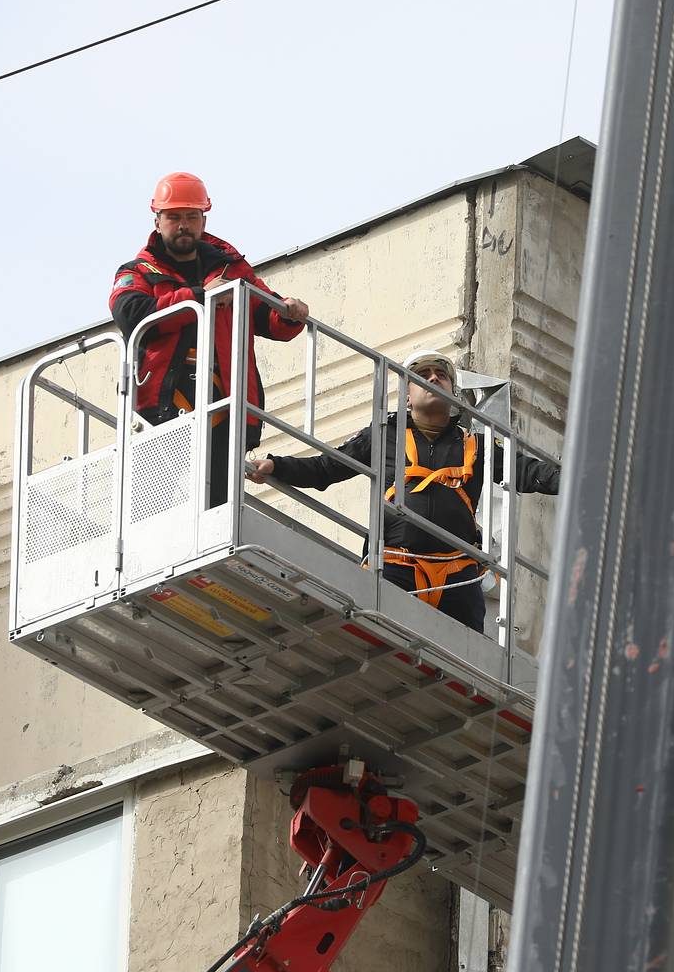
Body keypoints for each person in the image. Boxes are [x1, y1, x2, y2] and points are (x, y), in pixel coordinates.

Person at [248, 349, 560, 633]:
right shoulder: (384, 435)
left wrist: (582, 478)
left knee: (466, 665)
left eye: (441, 376)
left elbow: (531, 473)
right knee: (375, 636)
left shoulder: (476, 446)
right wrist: (277, 466)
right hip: (396, 565)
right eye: (422, 376)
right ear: (407, 397)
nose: (434, 378)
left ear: (453, 397)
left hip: (458, 575)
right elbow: (326, 467)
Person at [109, 172, 309, 505]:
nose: (183, 224)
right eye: (174, 217)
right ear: (157, 220)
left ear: (203, 219)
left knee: (218, 505)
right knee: (150, 504)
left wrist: (289, 313)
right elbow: (132, 315)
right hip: (163, 404)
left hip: (224, 401)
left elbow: (266, 315)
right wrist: (200, 298)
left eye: (191, 216)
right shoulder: (139, 271)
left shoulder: (229, 269)